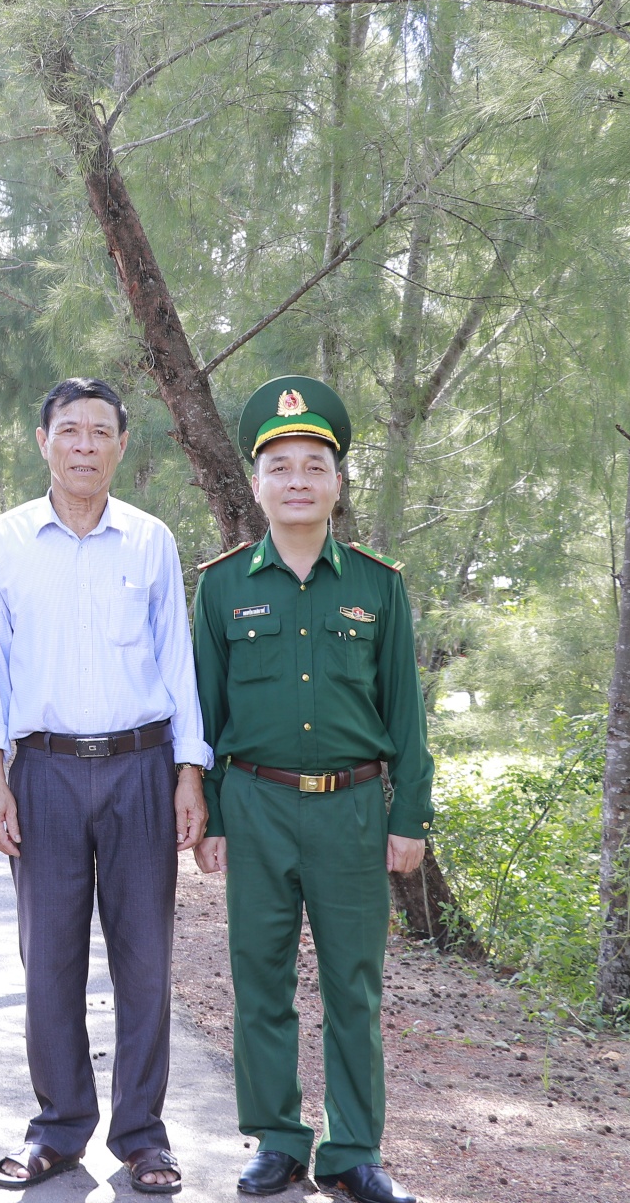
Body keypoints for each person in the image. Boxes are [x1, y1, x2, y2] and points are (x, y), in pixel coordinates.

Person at [192, 376, 432, 1203]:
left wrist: (410, 816)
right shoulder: (221, 586)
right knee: (259, 978)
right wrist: (212, 817)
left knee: (352, 987)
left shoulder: (377, 584)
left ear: (336, 482)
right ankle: (279, 1140)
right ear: (257, 484)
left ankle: (353, 1150)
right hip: (255, 805)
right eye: (280, 466)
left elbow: (406, 713)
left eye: (314, 465)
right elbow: (205, 713)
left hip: (355, 809)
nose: (298, 479)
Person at [0, 378, 213, 1195]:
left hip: (142, 769)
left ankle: (143, 1136)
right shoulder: (2, 543)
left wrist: (189, 768)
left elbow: (175, 657)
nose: (83, 444)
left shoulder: (149, 540)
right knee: (50, 962)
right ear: (42, 441)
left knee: (145, 962)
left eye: (99, 431)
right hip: (41, 772)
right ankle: (58, 1129)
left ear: (120, 443)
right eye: (68, 430)